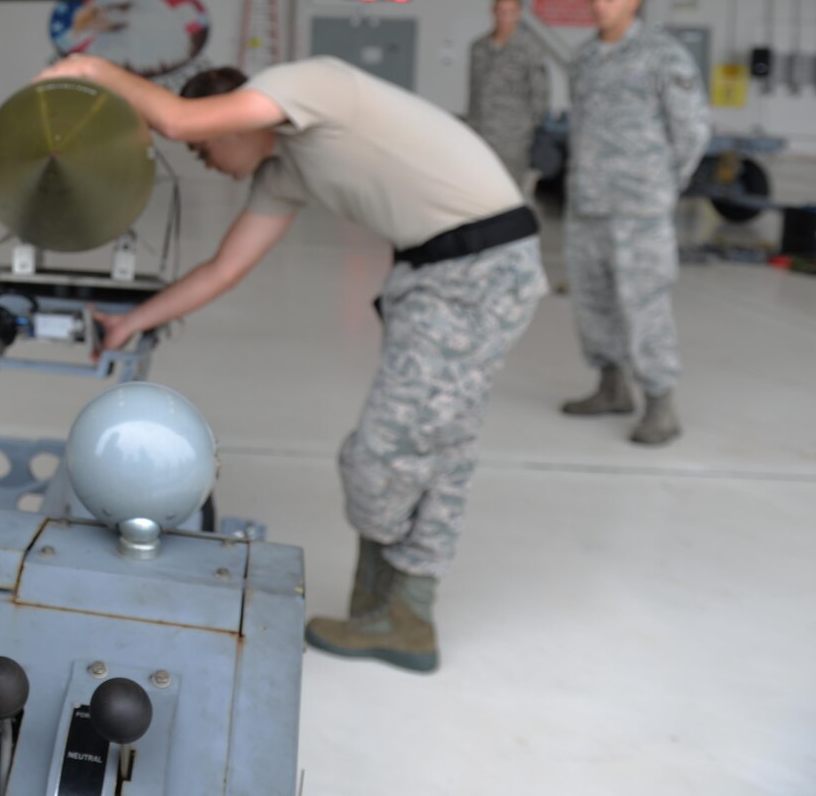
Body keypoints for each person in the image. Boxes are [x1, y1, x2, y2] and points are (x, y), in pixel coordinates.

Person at [39, 53, 547, 674]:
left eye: (206, 153)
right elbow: (225, 268)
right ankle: (392, 614)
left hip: (478, 271)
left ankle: (400, 614)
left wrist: (94, 70)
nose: (211, 168)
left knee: (382, 455)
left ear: (223, 124)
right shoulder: (286, 172)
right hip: (438, 275)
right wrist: (133, 320)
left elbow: (173, 121)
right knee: (437, 448)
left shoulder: (314, 87)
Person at [559, 0, 710, 448]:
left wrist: (662, 185)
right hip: (588, 203)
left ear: (633, 0)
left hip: (639, 207)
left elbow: (692, 130)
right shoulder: (583, 60)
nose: (599, 5)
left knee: (644, 303)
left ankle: (661, 404)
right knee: (591, 299)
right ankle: (610, 385)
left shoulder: (663, 56)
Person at [467, 0, 549, 193]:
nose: (504, 17)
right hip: (481, 132)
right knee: (480, 189)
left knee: (509, 191)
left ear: (519, 14)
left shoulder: (529, 48)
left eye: (510, 12)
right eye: (500, 11)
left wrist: (530, 126)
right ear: (493, 12)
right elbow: (473, 91)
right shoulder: (479, 47)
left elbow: (540, 90)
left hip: (513, 137)